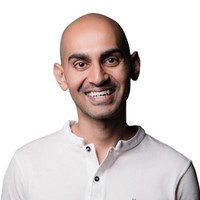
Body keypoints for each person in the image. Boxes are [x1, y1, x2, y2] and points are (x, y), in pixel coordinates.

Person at [1, 13, 199, 200]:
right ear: (61, 76)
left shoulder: (176, 171)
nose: (98, 78)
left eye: (110, 60)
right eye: (81, 64)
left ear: (134, 66)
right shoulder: (25, 165)